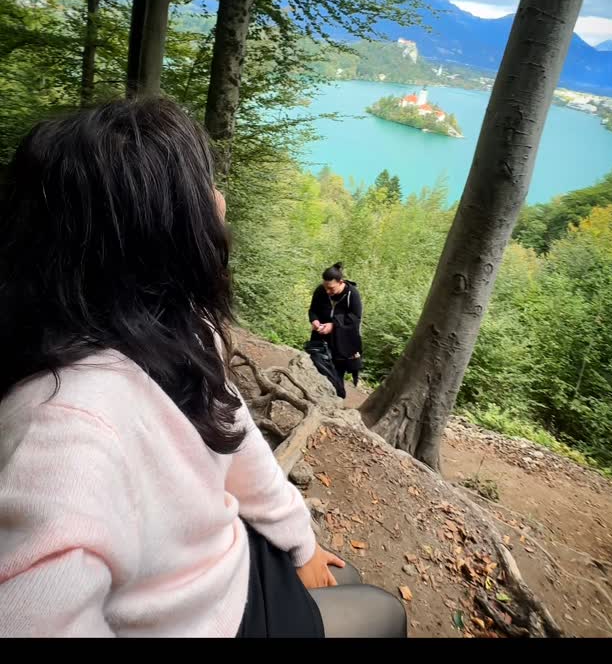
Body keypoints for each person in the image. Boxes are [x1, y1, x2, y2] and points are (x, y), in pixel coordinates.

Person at [0, 99, 405, 638]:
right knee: (384, 612)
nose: (219, 200)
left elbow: (236, 437)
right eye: (201, 186)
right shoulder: (66, 424)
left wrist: (300, 540)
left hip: (222, 563)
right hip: (204, 617)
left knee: (341, 576)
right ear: (155, 228)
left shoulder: (177, 329)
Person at [308, 264, 363, 399]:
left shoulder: (352, 294)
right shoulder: (321, 290)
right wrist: (314, 321)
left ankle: (337, 398)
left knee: (337, 372)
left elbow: (355, 318)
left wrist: (333, 326)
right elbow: (313, 310)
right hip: (320, 339)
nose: (327, 291)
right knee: (318, 368)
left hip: (341, 342)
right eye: (325, 287)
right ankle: (316, 397)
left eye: (331, 288)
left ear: (340, 282)